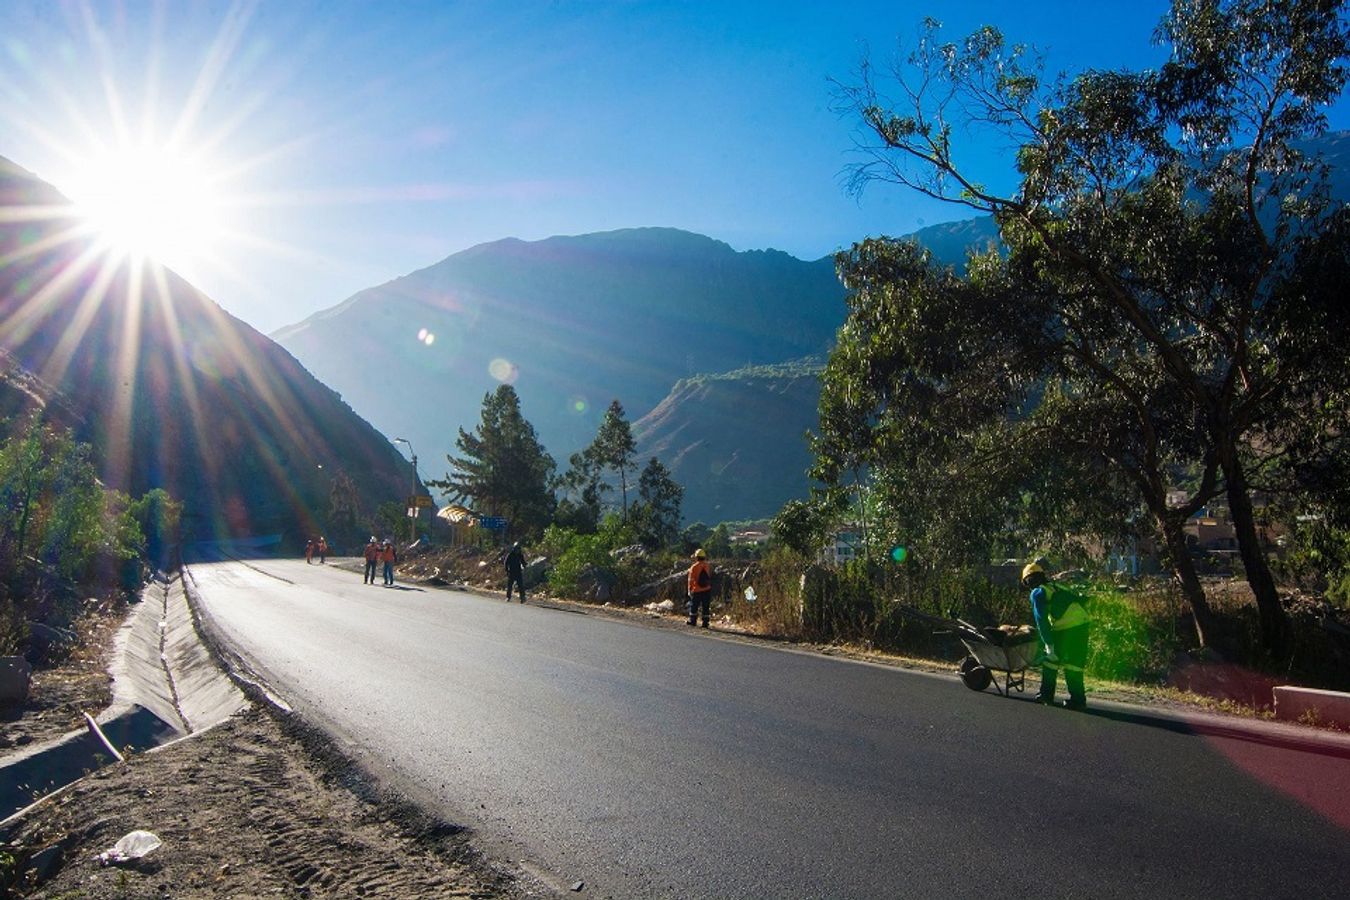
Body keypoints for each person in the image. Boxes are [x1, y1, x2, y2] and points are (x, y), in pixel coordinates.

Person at [1023, 561, 1091, 709]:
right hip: (1082, 624)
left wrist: (1049, 645)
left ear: (1028, 581)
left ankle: (1046, 696)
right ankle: (1078, 700)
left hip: (1065, 628)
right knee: (1074, 665)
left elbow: (1041, 620)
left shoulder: (1038, 592)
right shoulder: (1055, 586)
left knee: (1050, 661)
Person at [687, 548, 712, 628]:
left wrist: (689, 590)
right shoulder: (707, 566)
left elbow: (690, 580)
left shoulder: (694, 567)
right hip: (707, 589)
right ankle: (705, 623)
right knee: (706, 607)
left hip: (697, 590)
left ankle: (693, 621)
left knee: (694, 606)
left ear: (696, 557)